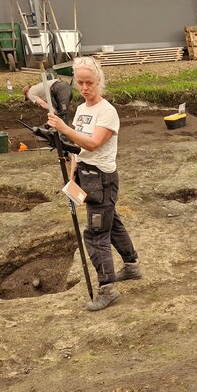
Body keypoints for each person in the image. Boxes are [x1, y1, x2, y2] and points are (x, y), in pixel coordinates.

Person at [47, 56, 142, 312]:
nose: (85, 88)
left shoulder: (107, 112)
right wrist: (72, 179)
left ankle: (107, 288)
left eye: (89, 82)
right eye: (80, 83)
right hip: (85, 177)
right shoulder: (81, 110)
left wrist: (64, 129)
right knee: (113, 221)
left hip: (102, 179)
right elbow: (78, 150)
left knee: (96, 234)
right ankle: (132, 266)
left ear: (98, 81)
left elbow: (93, 143)